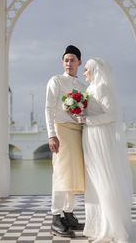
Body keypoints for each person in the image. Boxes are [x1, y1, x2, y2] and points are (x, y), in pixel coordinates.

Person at [78, 57, 133, 243]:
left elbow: (112, 115)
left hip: (99, 137)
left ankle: (114, 228)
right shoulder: (90, 89)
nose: (84, 72)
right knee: (94, 182)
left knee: (104, 181)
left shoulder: (102, 88)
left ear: (95, 70)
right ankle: (98, 226)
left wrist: (87, 120)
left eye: (86, 69)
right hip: (90, 138)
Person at [45, 45, 86, 238]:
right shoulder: (56, 80)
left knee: (73, 175)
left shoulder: (83, 87)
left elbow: (84, 112)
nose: (69, 63)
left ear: (79, 62)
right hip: (61, 130)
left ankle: (68, 214)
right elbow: (49, 108)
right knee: (61, 174)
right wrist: (51, 135)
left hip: (77, 132)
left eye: (72, 60)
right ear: (63, 62)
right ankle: (55, 217)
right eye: (66, 60)